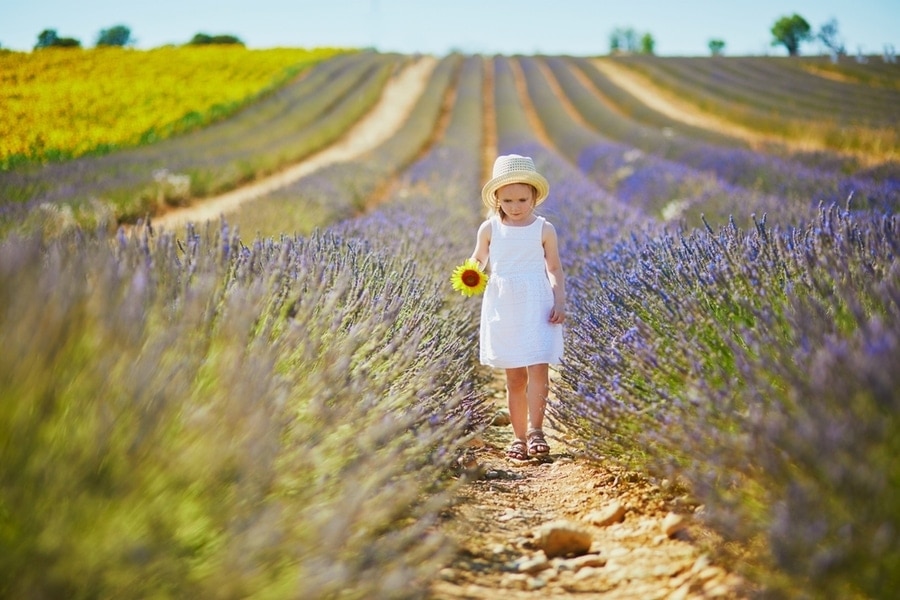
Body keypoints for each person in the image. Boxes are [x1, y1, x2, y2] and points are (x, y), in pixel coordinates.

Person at [469, 154, 565, 461]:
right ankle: (519, 436)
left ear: (535, 197)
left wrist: (559, 298)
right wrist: (470, 272)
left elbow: (554, 268)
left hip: (537, 302)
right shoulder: (490, 229)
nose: (516, 206)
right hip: (505, 304)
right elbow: (478, 259)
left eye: (522, 199)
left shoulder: (544, 229)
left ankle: (537, 431)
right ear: (496, 198)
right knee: (514, 377)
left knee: (539, 368)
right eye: (508, 200)